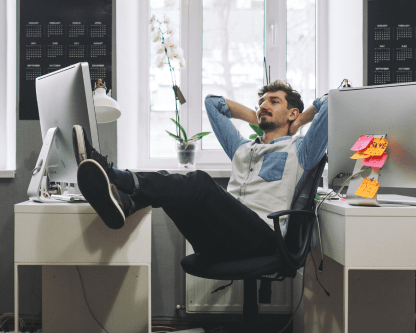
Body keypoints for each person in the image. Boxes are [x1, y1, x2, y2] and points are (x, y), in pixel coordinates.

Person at [73, 80, 328, 262]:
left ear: (293, 112)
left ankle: (117, 179)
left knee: (199, 182)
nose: (264, 105)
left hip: (262, 238)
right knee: (176, 194)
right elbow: (213, 104)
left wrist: (296, 124)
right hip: (218, 240)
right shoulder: (241, 148)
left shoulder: (301, 150)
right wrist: (258, 115)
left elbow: (329, 103)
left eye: (274, 101)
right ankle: (127, 202)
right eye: (261, 101)